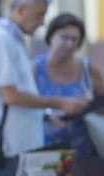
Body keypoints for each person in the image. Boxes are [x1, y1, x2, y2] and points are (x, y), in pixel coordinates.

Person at [0, 0, 88, 176]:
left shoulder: (13, 40)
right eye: (40, 14)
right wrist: (61, 102)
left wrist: (46, 114)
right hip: (10, 150)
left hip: (21, 147)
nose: (42, 22)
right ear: (21, 10)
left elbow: (18, 96)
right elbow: (11, 96)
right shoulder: (2, 41)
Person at [34, 13, 104, 158]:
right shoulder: (35, 70)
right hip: (46, 151)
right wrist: (47, 114)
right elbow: (22, 105)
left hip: (84, 150)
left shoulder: (88, 69)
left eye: (74, 40)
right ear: (51, 36)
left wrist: (87, 105)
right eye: (64, 38)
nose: (69, 44)